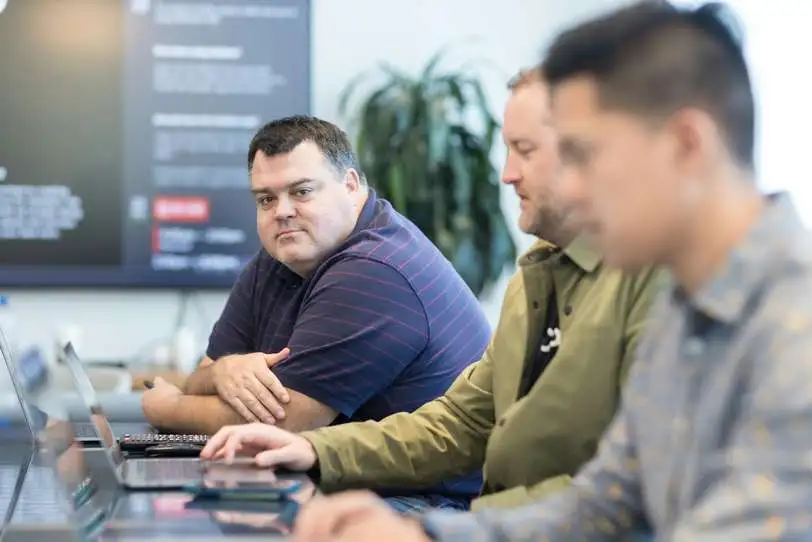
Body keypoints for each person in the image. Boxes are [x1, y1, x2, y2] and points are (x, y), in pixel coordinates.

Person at [280, 1, 812, 540]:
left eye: (585, 154)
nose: (574, 186)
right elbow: (607, 503)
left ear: (685, 144)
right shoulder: (688, 304)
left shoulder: (794, 333)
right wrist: (427, 536)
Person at [200, 69, 662, 512]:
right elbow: (462, 424)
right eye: (508, 151)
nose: (507, 175)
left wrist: (448, 533)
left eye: (524, 150)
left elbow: (634, 489)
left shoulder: (656, 285)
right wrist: (314, 449)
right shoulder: (535, 280)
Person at [141, 115, 491, 511]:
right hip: (332, 473)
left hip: (425, 500)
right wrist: (223, 372)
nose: (282, 212)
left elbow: (280, 423)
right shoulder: (280, 257)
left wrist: (166, 408)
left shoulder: (376, 269)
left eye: (302, 191)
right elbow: (203, 376)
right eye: (266, 199)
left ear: (352, 186)